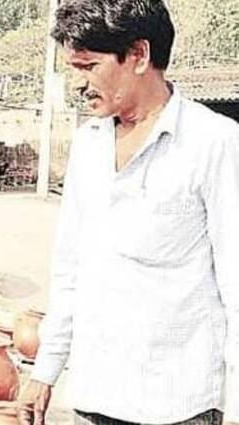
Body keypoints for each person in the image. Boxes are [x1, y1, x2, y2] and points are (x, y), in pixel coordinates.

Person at [20, 1, 239, 425]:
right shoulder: (88, 144)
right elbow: (70, 268)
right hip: (98, 394)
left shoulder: (214, 143)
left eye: (88, 66)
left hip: (179, 403)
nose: (79, 84)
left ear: (139, 55)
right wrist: (45, 371)